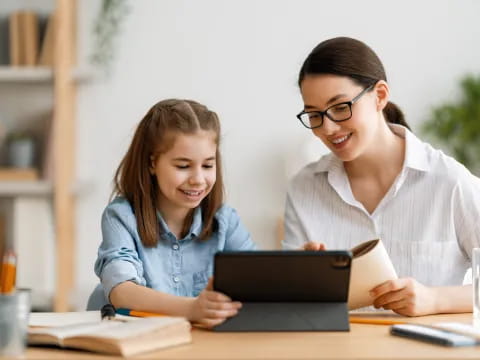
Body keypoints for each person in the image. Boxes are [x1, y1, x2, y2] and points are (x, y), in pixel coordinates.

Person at [283, 37, 480, 316]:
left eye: (340, 107)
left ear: (380, 95)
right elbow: (290, 301)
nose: (327, 128)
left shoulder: (450, 183)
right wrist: (298, 277)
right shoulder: (304, 187)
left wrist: (435, 299)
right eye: (314, 115)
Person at [87, 99, 255, 328]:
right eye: (183, 166)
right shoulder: (121, 217)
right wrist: (192, 309)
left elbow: (257, 282)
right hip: (123, 336)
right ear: (152, 163)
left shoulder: (225, 220)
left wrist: (303, 267)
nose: (198, 179)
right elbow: (121, 291)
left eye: (207, 166)